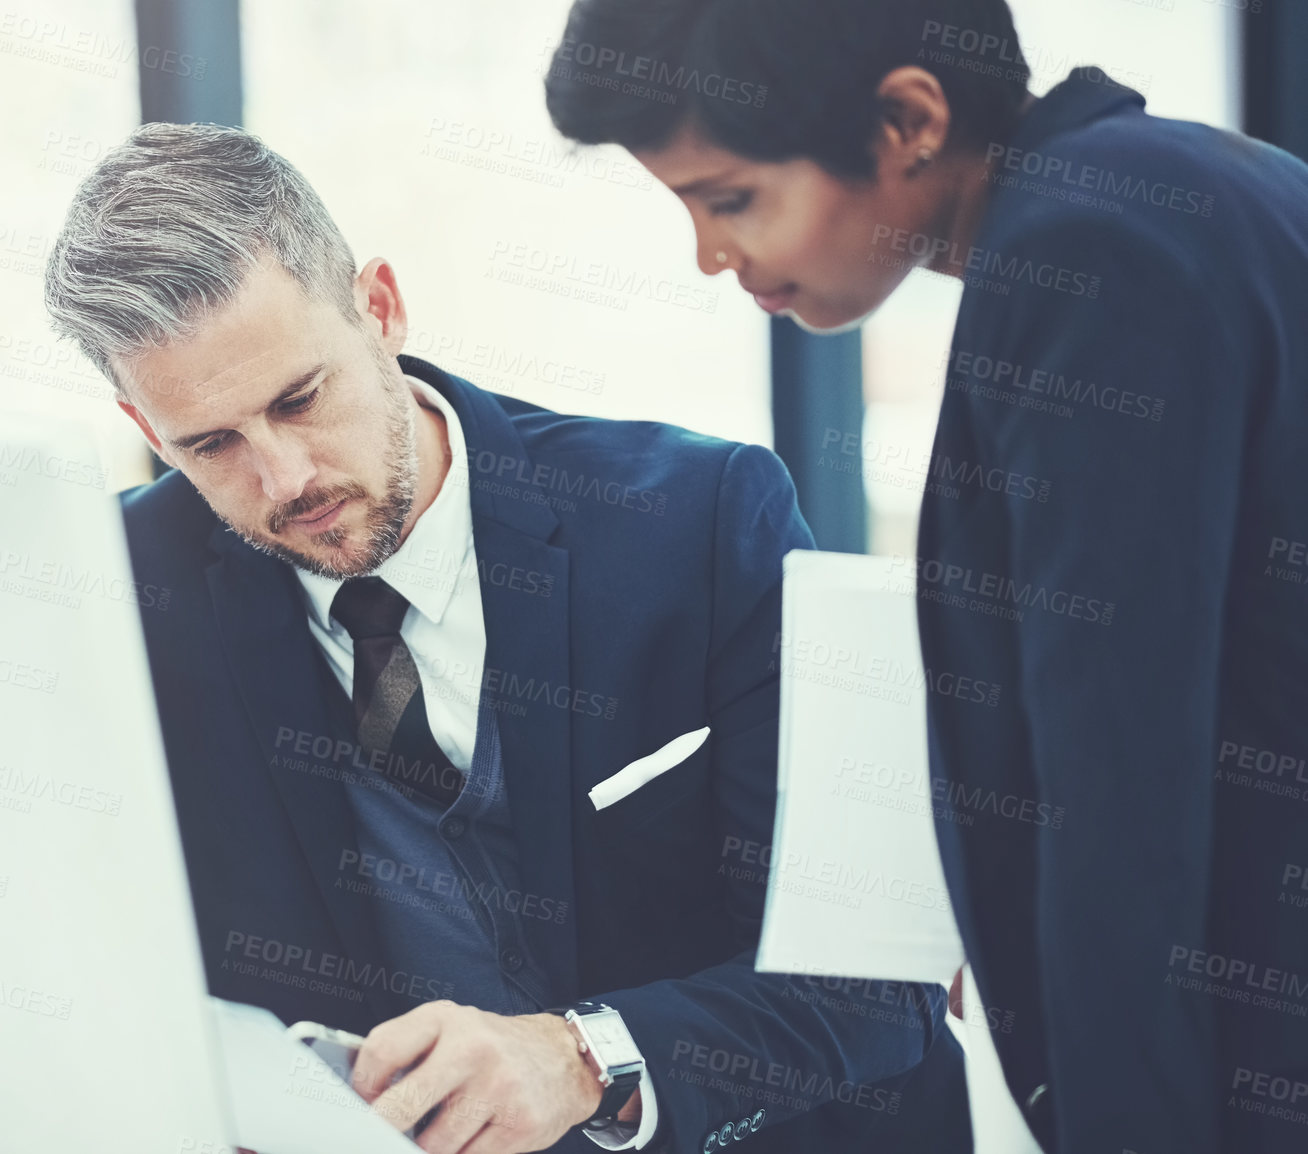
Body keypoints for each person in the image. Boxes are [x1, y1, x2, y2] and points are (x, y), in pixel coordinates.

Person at [43, 123, 972, 1154]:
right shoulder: (123, 588)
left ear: (379, 308)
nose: (284, 478)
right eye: (208, 443)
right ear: (140, 418)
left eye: (300, 398)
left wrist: (587, 1060)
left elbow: (874, 988)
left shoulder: (699, 524)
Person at [544, 1, 1308, 1152]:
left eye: (731, 196)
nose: (709, 254)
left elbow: (1117, 780)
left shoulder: (1086, 253)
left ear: (907, 119)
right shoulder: (1169, 189)